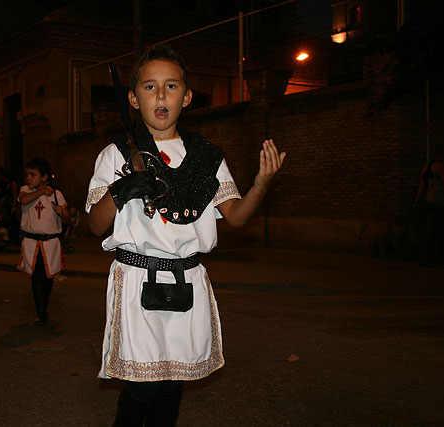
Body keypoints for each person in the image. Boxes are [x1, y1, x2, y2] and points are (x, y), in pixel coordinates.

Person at [86, 45, 286, 426]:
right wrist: (122, 189)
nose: (161, 95)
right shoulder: (115, 155)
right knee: (143, 384)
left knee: (173, 381)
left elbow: (237, 217)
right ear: (133, 98)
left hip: (188, 279)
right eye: (149, 87)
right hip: (137, 278)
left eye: (172, 86)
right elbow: (96, 225)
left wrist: (261, 184)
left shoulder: (206, 156)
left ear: (187, 96)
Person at [18, 157, 70, 326]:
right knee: (36, 276)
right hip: (32, 242)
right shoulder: (25, 190)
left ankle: (43, 307)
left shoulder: (57, 194)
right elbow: (24, 200)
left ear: (44, 177)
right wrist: (41, 192)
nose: (28, 178)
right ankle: (41, 312)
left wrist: (61, 212)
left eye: (33, 175)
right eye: (27, 174)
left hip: (50, 243)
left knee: (48, 278)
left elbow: (67, 219)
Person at [414, 143, 444, 265]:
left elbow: (421, 186)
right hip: (440, 203)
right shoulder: (441, 166)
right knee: (437, 231)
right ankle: (437, 257)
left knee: (437, 230)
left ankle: (431, 257)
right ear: (441, 154)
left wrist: (416, 201)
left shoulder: (426, 168)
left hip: (430, 201)